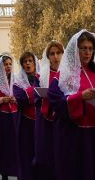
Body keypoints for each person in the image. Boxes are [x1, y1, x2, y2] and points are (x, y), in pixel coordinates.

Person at [48, 30, 95, 179]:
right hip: (77, 138)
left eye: (90, 48)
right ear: (76, 49)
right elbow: (54, 100)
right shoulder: (64, 75)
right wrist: (80, 97)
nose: (87, 52)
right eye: (83, 48)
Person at [33, 40, 64, 180]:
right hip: (45, 118)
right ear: (48, 56)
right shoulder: (40, 76)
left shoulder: (68, 73)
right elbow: (36, 96)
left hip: (63, 118)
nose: (55, 56)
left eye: (58, 53)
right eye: (52, 54)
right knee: (46, 152)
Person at [13, 52, 38, 180]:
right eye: (25, 61)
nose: (28, 63)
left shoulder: (43, 78)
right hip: (25, 124)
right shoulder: (17, 81)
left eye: (30, 61)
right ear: (22, 65)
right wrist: (36, 91)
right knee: (26, 155)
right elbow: (20, 98)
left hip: (41, 123)